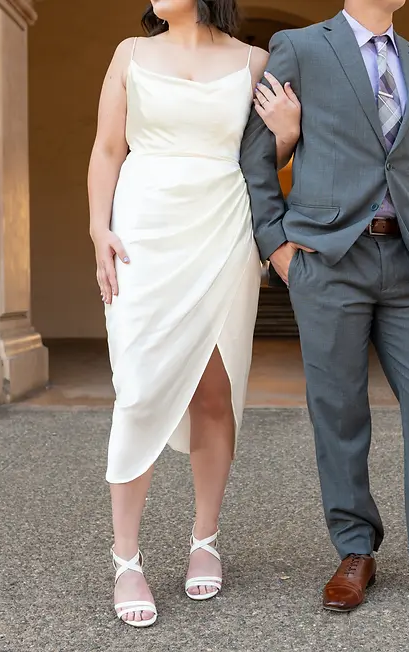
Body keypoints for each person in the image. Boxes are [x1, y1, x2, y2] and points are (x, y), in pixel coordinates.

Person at [240, 0, 409, 614]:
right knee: (339, 410)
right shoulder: (300, 48)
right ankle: (355, 549)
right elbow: (257, 157)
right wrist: (279, 251)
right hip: (329, 263)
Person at [87, 0, 301, 628]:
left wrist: (287, 133)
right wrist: (98, 230)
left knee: (215, 390)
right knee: (139, 389)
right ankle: (127, 558)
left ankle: (204, 539)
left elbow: (269, 158)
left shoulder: (254, 62)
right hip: (145, 230)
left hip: (223, 231)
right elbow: (106, 150)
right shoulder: (129, 54)